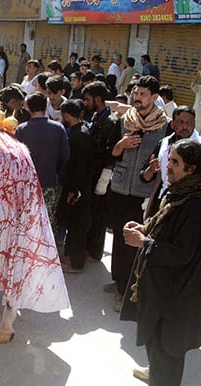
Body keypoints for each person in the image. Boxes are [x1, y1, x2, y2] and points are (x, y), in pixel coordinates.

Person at [120, 139, 201, 386]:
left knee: (168, 339)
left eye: (174, 162)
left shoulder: (197, 205)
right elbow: (166, 228)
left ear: (191, 168)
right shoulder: (181, 192)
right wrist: (145, 228)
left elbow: (182, 253)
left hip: (177, 287)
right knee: (156, 332)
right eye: (169, 159)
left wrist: (144, 243)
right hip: (163, 281)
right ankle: (158, 374)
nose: (168, 166)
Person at [107, 75, 168, 312]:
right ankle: (118, 280)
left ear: (154, 97)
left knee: (137, 241)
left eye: (143, 94)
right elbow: (110, 153)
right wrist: (120, 145)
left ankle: (127, 288)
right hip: (121, 188)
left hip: (145, 193)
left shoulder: (165, 126)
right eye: (135, 93)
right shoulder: (124, 120)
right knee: (119, 239)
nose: (137, 98)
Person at [15, 92, 70, 242]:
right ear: (46, 106)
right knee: (48, 219)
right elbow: (65, 156)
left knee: (26, 220)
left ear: (28, 108)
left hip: (27, 184)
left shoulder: (21, 129)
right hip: (50, 181)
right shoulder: (58, 128)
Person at [83, 81, 121, 263]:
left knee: (99, 215)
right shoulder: (96, 117)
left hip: (101, 174)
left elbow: (111, 152)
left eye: (87, 99)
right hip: (91, 171)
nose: (85, 102)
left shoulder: (112, 121)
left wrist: (104, 179)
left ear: (98, 99)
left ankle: (96, 252)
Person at [58, 100, 95, 273]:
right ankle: (71, 256)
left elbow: (79, 166)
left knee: (78, 226)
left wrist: (73, 190)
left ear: (66, 115)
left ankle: (77, 264)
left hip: (79, 189)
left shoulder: (79, 136)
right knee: (72, 224)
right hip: (77, 186)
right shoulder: (80, 131)